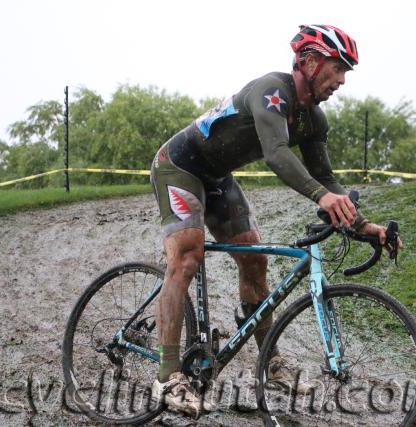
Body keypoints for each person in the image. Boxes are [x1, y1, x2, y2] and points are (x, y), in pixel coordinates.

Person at [149, 24, 394, 416]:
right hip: (179, 166)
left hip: (216, 178)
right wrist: (321, 196)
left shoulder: (314, 120)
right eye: (338, 68)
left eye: (346, 71)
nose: (342, 80)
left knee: (255, 261)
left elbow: (327, 179)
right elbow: (277, 154)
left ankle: (271, 363)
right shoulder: (271, 91)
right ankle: (167, 375)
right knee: (187, 257)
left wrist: (364, 226)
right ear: (311, 63)